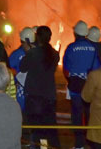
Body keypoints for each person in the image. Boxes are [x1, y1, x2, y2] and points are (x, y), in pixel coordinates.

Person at [19, 25, 60, 148]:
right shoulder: (54, 54)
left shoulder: (33, 53)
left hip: (35, 97)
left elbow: (22, 67)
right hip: (50, 96)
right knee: (50, 128)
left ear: (37, 36)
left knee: (37, 130)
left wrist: (28, 51)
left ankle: (41, 147)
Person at [63, 20, 100, 149]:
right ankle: (91, 143)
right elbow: (96, 69)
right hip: (89, 88)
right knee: (90, 115)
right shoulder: (93, 49)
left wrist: (71, 80)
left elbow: (66, 70)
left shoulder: (70, 48)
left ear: (75, 33)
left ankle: (79, 145)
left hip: (75, 89)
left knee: (77, 116)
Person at [8, 27, 35, 111]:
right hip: (35, 93)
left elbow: (9, 71)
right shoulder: (38, 53)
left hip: (20, 91)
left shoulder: (16, 54)